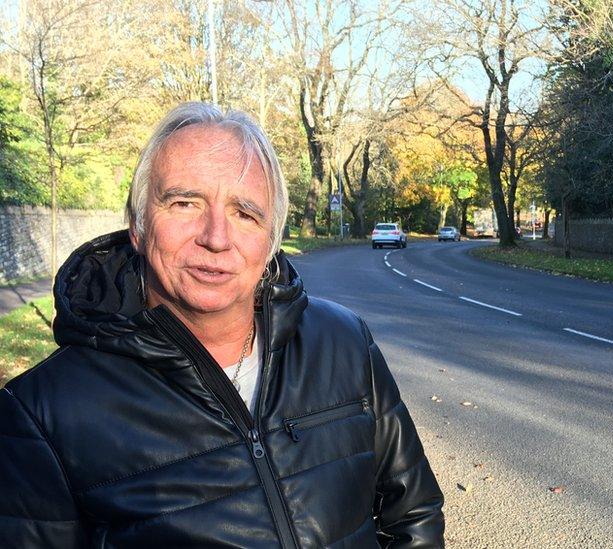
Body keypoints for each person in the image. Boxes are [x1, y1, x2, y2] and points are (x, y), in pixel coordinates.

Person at [0, 103, 445, 547]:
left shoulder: (345, 342)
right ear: (137, 225)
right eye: (184, 202)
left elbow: (414, 515)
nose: (215, 237)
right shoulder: (42, 414)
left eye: (244, 213)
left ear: (271, 239)